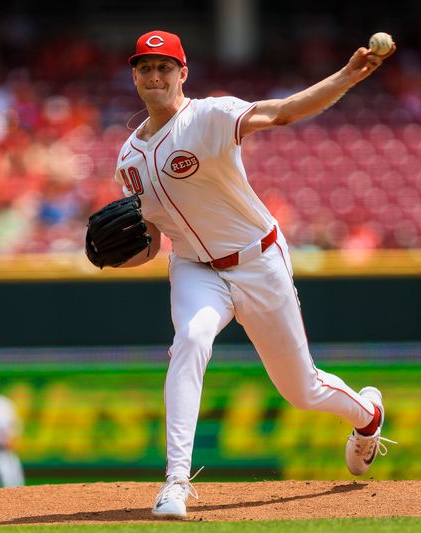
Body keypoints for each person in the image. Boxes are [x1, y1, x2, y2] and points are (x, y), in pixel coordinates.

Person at [113, 30, 396, 519]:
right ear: (134, 75)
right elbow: (152, 243)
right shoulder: (128, 159)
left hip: (258, 260)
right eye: (145, 67)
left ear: (183, 74)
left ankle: (368, 417)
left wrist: (348, 75)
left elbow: (284, 111)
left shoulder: (210, 116)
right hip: (194, 269)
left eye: (164, 67)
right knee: (192, 340)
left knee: (301, 390)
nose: (154, 75)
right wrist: (118, 257)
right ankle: (175, 483)